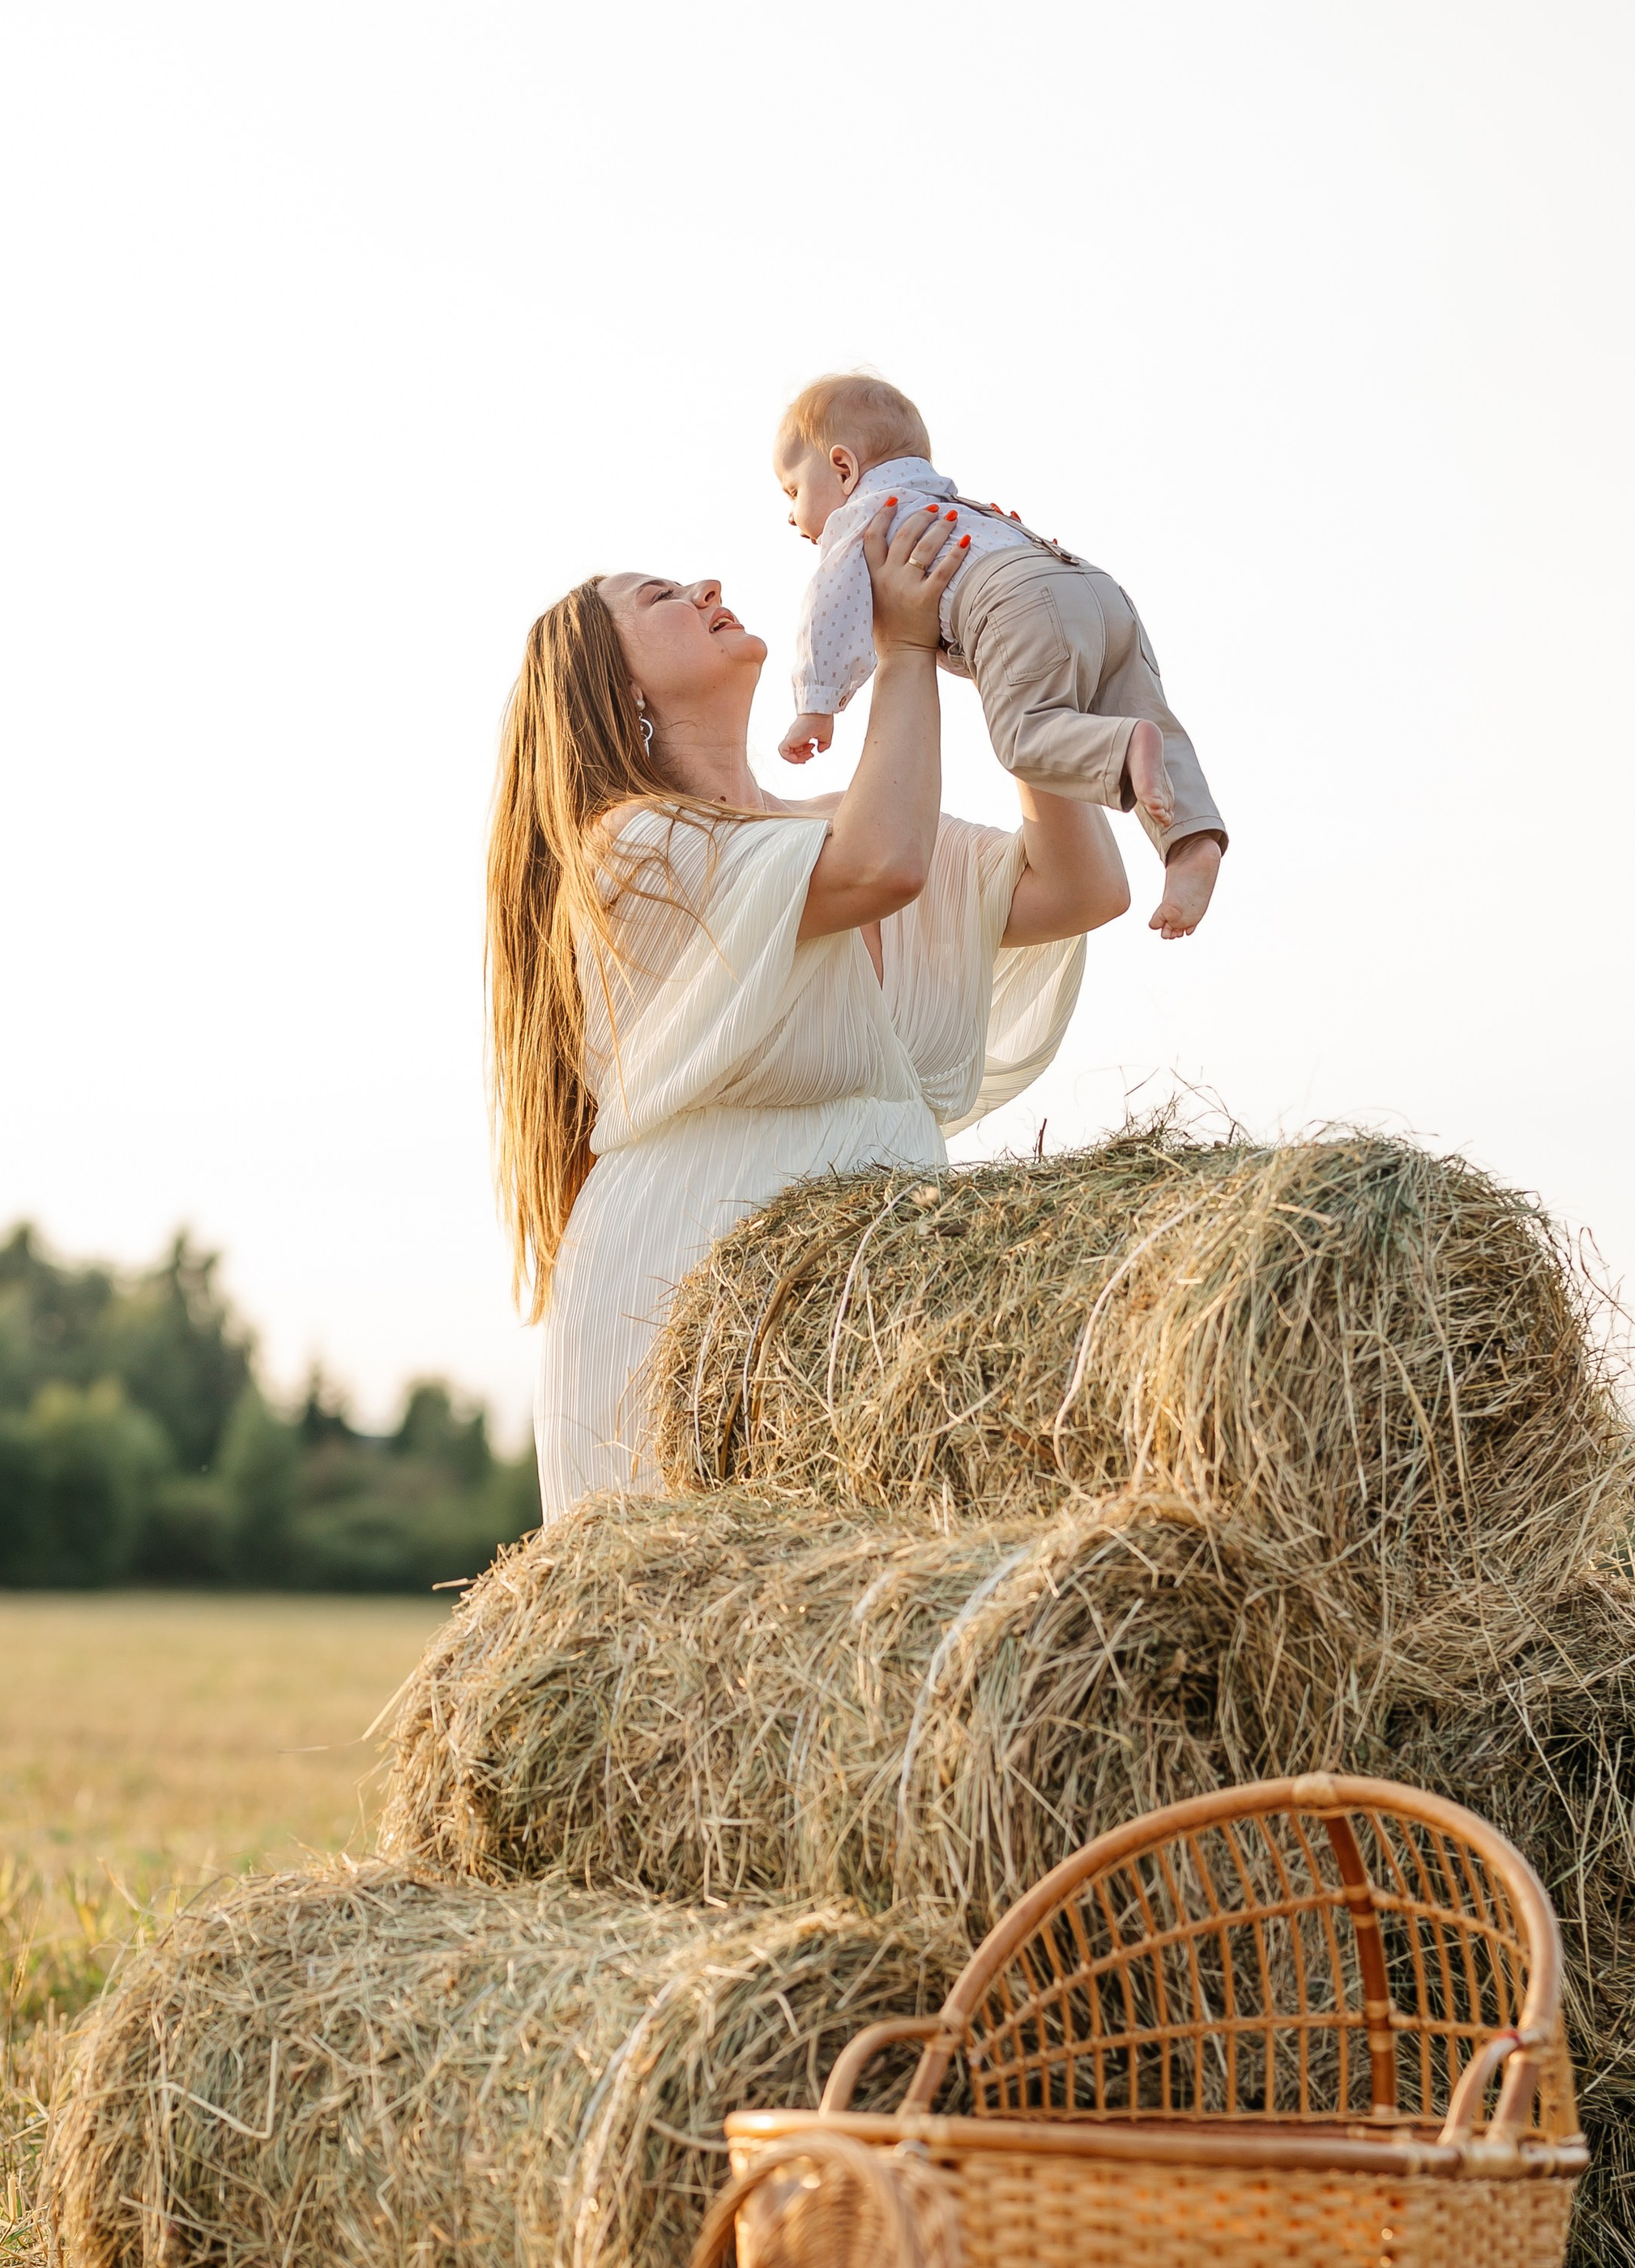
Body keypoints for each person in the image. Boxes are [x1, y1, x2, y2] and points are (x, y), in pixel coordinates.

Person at [489, 499, 1130, 1517]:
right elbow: (882, 868)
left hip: (872, 1308)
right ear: (617, 688)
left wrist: (1014, 661)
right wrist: (906, 648)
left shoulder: (834, 822)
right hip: (689, 1304)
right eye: (659, 596)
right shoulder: (630, 852)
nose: (704, 585)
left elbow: (1079, 887)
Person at [774, 371, 1227, 941]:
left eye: (792, 491)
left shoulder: (864, 515)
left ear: (843, 469)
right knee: (1145, 706)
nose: (791, 516)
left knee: (1026, 736)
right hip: (1086, 582)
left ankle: (1121, 744)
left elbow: (830, 609)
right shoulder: (950, 502)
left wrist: (818, 704)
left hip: (1011, 600)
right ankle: (1190, 842)